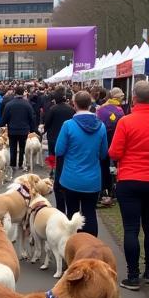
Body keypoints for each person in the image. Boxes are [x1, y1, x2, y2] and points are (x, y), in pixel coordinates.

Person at [108, 80, 149, 290]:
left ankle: (133, 275)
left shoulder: (126, 122)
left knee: (131, 228)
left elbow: (115, 153)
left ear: (134, 98)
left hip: (130, 178)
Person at [54, 90, 107, 235]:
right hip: (92, 179)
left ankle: (73, 247)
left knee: (72, 213)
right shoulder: (101, 126)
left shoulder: (68, 125)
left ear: (74, 104)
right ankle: (91, 246)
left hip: (71, 178)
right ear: (90, 105)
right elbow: (103, 153)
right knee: (90, 213)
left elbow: (59, 151)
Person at [44, 87, 74, 210]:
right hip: (67, 138)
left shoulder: (53, 109)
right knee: (64, 157)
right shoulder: (71, 110)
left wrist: (45, 130)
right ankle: (59, 170)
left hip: (54, 137)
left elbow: (47, 122)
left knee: (53, 154)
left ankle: (53, 169)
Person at [96, 87, 126, 207]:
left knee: (103, 166)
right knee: (115, 167)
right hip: (116, 141)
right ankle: (113, 190)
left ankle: (103, 189)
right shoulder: (120, 111)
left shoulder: (101, 109)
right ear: (118, 98)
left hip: (103, 141)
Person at [0, 86, 36, 171]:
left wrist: (3, 124)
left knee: (13, 147)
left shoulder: (9, 104)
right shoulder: (27, 104)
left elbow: (4, 118)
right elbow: (32, 117)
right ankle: (20, 163)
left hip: (12, 130)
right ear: (23, 93)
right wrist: (32, 129)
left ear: (15, 93)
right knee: (22, 147)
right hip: (24, 130)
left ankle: (13, 164)